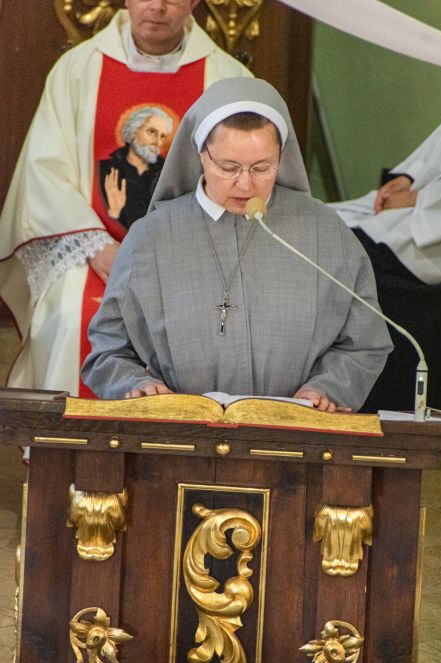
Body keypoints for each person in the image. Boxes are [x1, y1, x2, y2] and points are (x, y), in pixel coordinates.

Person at [81, 77, 393, 412]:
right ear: (201, 154)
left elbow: (364, 343)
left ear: (282, 157)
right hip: (181, 430)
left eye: (262, 167)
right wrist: (136, 385)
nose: (245, 184)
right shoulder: (150, 238)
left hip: (294, 428)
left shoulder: (325, 232)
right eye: (229, 167)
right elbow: (108, 352)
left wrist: (327, 389)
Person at [0, 0, 251, 398]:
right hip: (93, 253)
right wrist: (100, 249)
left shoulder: (227, 79)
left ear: (194, 3)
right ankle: (67, 439)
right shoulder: (77, 70)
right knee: (71, 314)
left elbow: (243, 176)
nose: (158, 7)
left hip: (189, 256)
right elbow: (45, 173)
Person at [331, 102, 441, 412]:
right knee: (322, 224)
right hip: (414, 208)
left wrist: (416, 197)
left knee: (346, 251)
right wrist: (408, 176)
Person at [100, 106, 173, 229]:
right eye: (151, 132)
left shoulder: (167, 173)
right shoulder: (104, 169)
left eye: (162, 136)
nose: (157, 142)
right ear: (133, 131)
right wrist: (114, 213)